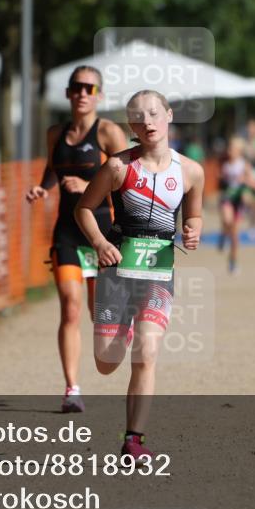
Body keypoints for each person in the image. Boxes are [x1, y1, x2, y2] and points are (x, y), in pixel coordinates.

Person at [74, 89, 204, 460]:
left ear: (169, 115)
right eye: (138, 117)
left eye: (154, 113)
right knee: (106, 362)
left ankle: (134, 440)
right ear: (131, 126)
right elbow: (84, 209)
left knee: (147, 353)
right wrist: (99, 243)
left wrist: (193, 230)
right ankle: (122, 329)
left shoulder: (191, 171)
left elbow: (194, 215)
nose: (147, 122)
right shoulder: (118, 167)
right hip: (117, 271)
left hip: (158, 274)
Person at [25, 66, 128, 413]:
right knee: (70, 307)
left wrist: (88, 187)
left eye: (89, 88)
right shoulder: (55, 133)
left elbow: (128, 180)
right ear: (68, 93)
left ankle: (120, 325)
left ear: (99, 95)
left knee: (100, 314)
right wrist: (43, 188)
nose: (83, 93)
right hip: (67, 233)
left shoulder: (109, 133)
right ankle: (72, 389)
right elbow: (53, 170)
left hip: (101, 234)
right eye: (77, 87)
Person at [218, 137, 255, 274]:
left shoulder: (244, 165)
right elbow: (222, 182)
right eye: (229, 148)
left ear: (239, 151)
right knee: (227, 220)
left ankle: (232, 262)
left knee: (235, 236)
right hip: (227, 198)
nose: (229, 151)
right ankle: (223, 235)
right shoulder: (225, 165)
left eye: (232, 149)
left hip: (238, 201)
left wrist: (245, 180)